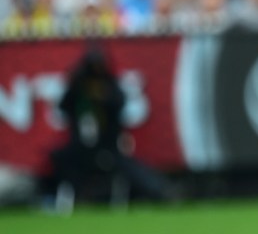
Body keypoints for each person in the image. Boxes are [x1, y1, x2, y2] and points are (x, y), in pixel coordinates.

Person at [48, 47, 171, 209]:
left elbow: (119, 104)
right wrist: (77, 86)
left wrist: (102, 97)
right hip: (80, 148)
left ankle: (156, 193)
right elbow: (63, 106)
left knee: (129, 169)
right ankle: (62, 198)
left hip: (108, 147)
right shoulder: (78, 87)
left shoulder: (110, 85)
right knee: (60, 161)